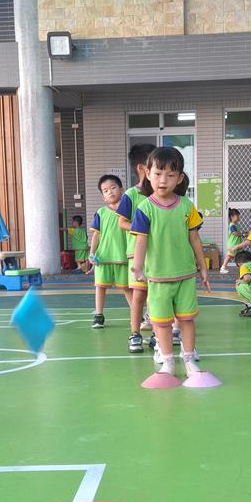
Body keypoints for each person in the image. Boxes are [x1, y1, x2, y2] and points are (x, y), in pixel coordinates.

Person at [131, 146, 209, 378]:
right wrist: (138, 266)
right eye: (157, 173)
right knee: (161, 323)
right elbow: (141, 240)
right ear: (147, 173)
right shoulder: (144, 208)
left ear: (180, 178)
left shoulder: (186, 206)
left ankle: (189, 359)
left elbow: (194, 238)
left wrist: (203, 266)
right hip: (158, 277)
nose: (163, 180)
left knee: (186, 320)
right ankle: (168, 362)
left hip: (185, 275)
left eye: (170, 175)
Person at [117, 143, 156, 353]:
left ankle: (158, 334)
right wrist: (141, 228)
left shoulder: (159, 194)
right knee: (139, 295)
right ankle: (135, 333)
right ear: (142, 168)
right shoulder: (131, 194)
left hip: (158, 254)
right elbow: (122, 222)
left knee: (156, 295)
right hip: (137, 253)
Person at [89, 175, 131, 329]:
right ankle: (99, 315)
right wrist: (92, 253)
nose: (110, 192)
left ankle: (137, 315)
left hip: (123, 257)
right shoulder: (101, 212)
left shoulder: (129, 211)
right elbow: (96, 235)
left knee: (127, 288)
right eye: (105, 191)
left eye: (113, 188)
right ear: (103, 197)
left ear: (122, 189)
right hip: (103, 258)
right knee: (100, 287)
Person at [220, 208, 243, 273]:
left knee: (239, 256)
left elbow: (237, 232)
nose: (238, 217)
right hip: (233, 244)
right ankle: (223, 267)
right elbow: (234, 233)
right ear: (232, 217)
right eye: (237, 216)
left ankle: (242, 268)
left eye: (238, 216)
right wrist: (242, 234)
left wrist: (243, 233)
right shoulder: (232, 225)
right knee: (229, 256)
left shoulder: (236, 225)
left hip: (237, 244)